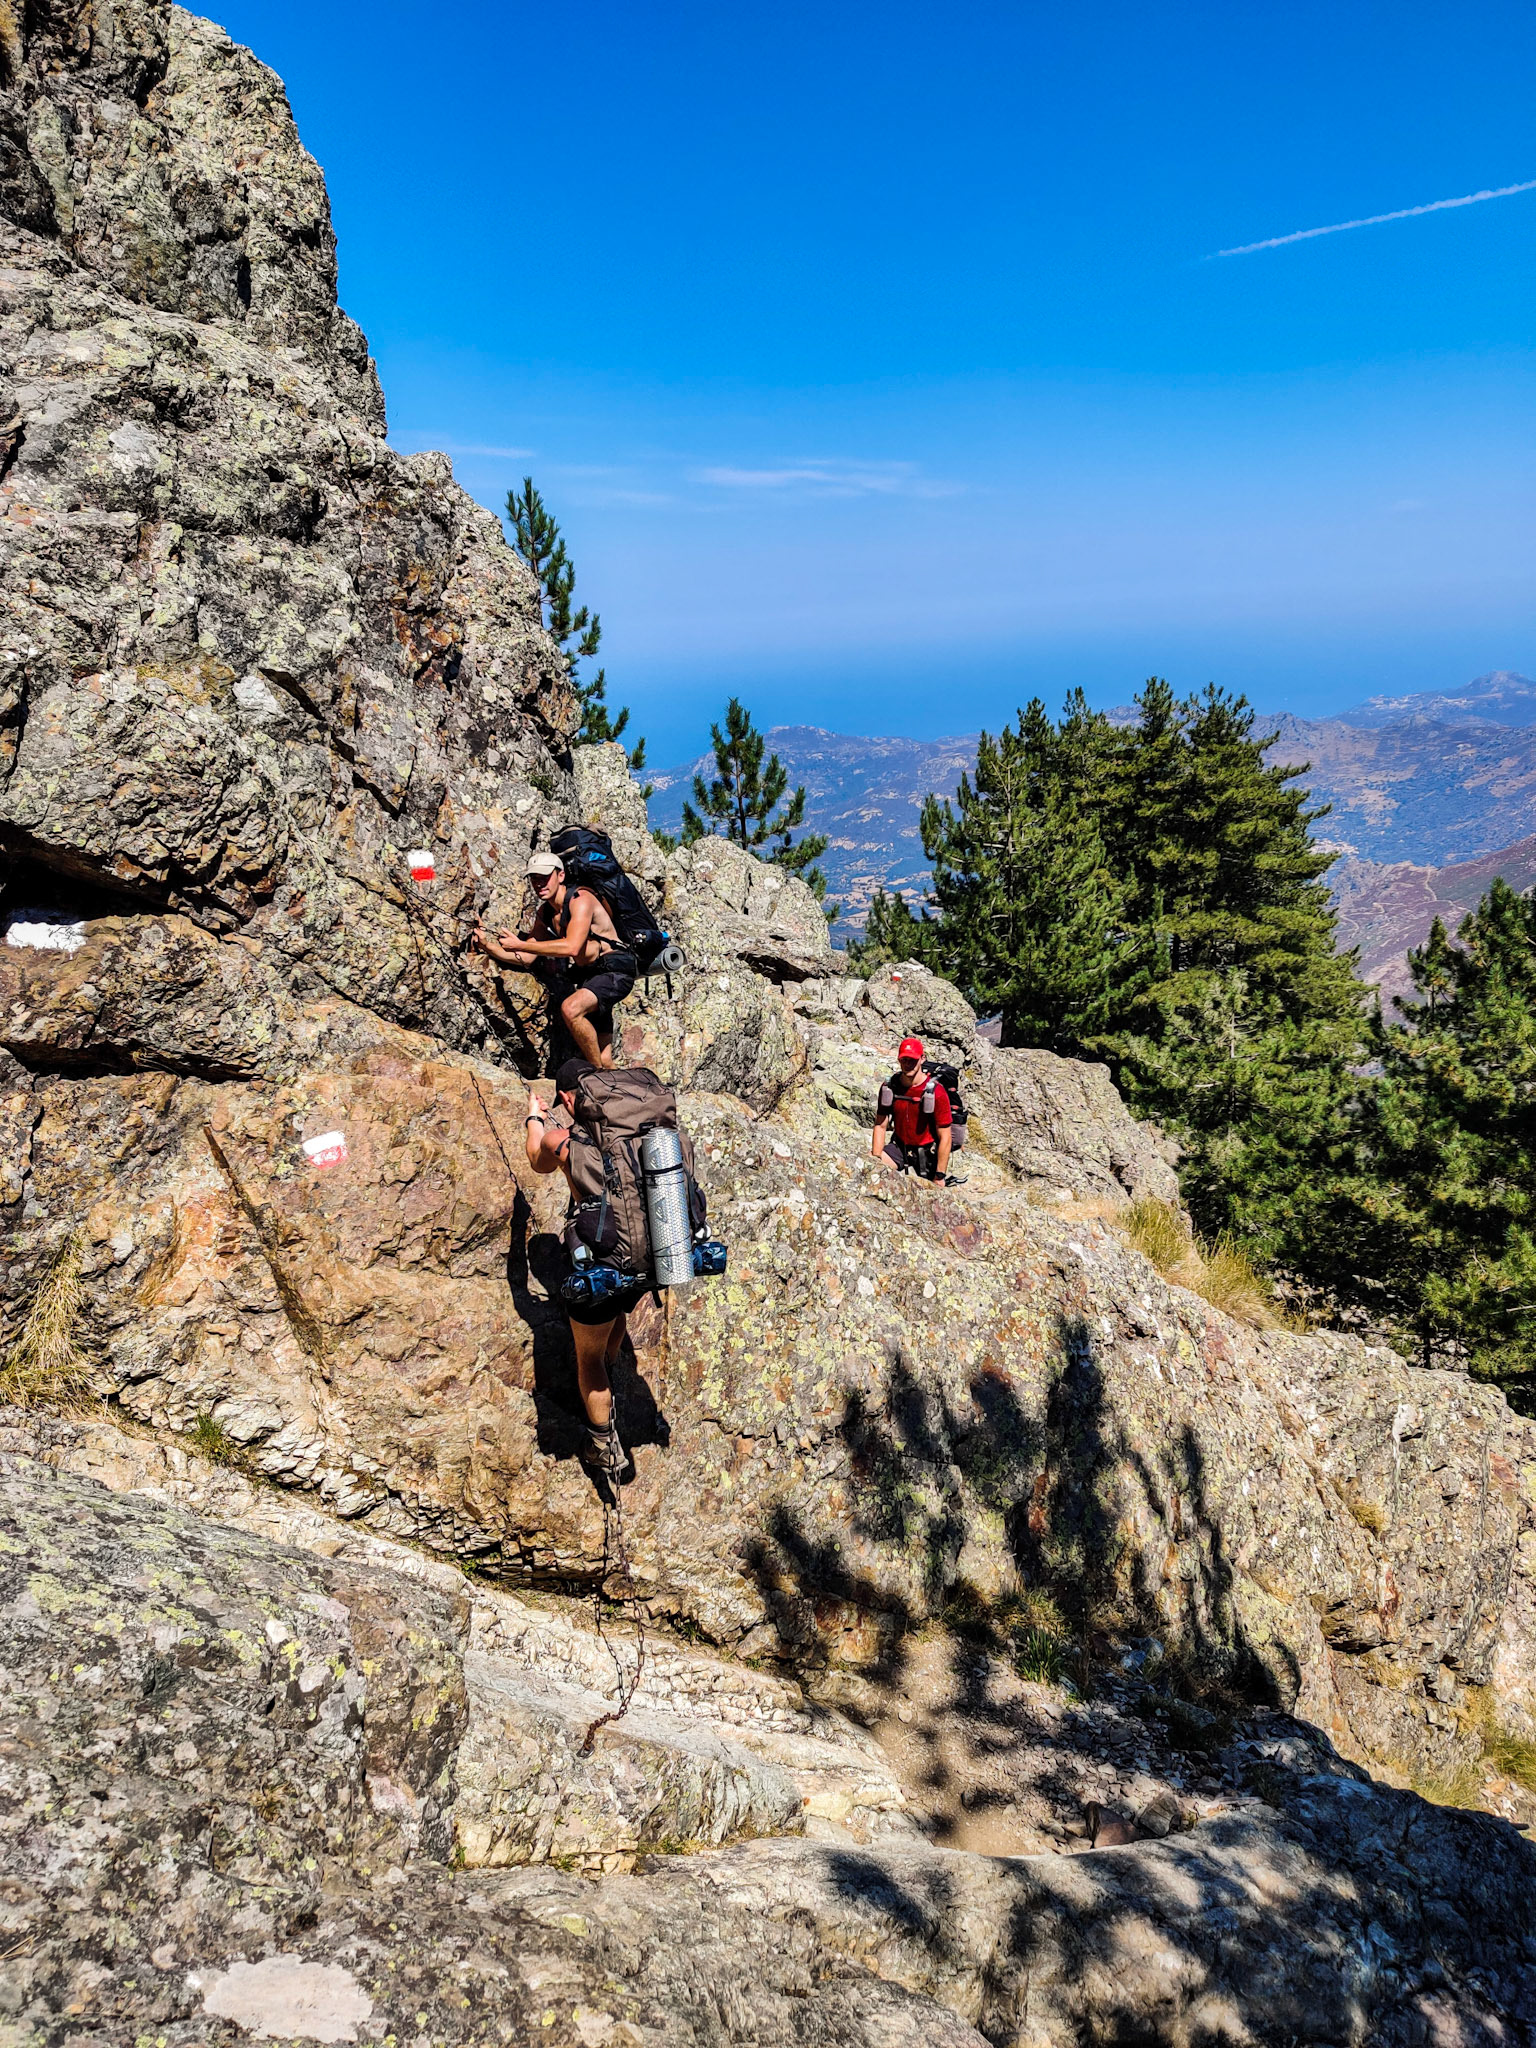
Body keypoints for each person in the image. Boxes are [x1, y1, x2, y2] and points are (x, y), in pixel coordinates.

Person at [524, 1056, 642, 1478]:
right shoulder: (637, 1132)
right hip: (644, 1260)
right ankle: (613, 1367)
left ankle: (602, 1445)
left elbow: (536, 1158)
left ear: (568, 1098)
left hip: (600, 1260)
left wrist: (534, 1118)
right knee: (619, 1308)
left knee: (586, 1358)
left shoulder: (567, 1141)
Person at [474, 851, 635, 1068]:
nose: (539, 883)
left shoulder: (581, 900)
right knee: (605, 1058)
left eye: (544, 877)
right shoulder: (546, 913)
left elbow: (572, 946)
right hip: (591, 979)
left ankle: (598, 1078)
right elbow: (527, 957)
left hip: (614, 971)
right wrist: (487, 946)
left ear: (560, 876)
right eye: (534, 878)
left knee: (571, 1009)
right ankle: (614, 1090)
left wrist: (521, 943)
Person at [871, 1036, 958, 1183]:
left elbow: (945, 1135)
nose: (908, 1064)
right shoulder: (890, 1088)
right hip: (899, 1148)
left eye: (912, 1060)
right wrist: (876, 1159)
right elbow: (880, 1125)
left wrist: (940, 1175)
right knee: (870, 1172)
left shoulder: (937, 1092)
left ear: (922, 1059)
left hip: (927, 1153)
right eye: (904, 1060)